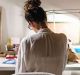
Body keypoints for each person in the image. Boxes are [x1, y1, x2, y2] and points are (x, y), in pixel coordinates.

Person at [15, 0, 67, 75]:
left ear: (31, 23)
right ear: (45, 19)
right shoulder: (63, 38)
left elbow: (20, 72)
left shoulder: (26, 41)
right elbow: (63, 66)